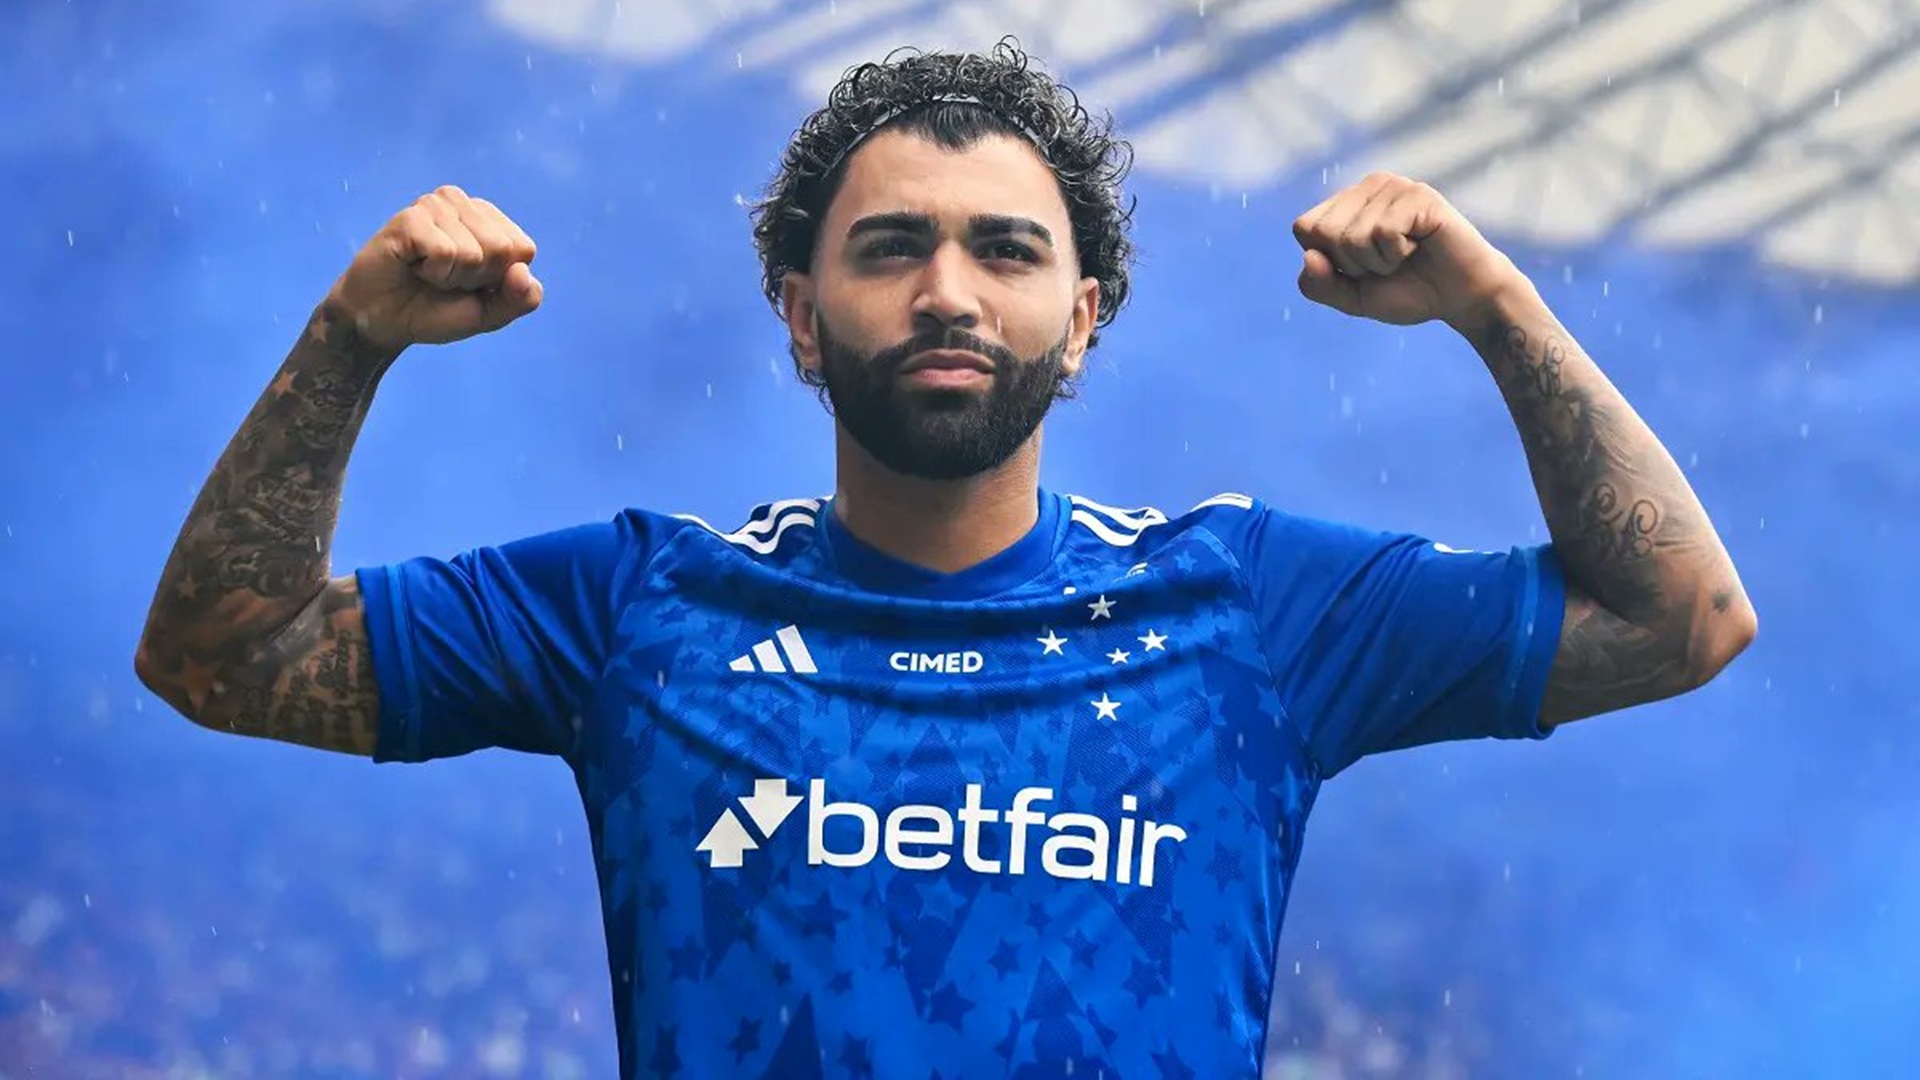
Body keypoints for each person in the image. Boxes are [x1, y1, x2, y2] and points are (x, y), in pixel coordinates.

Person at [135, 38, 1755, 1079]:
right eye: (891, 245)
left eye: (1006, 248)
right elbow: (220, 653)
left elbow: (1679, 619)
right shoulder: (641, 603)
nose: (950, 292)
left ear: (1085, 317)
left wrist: (1498, 306)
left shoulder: (1249, 605)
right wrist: (352, 338)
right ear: (798, 312)